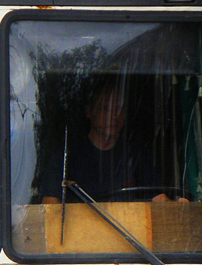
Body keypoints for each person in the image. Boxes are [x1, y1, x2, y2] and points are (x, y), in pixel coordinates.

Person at [40, 77, 174, 203]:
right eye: (105, 108)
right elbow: (50, 207)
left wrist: (177, 208)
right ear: (89, 111)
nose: (113, 116)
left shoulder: (135, 155)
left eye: (119, 108)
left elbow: (159, 200)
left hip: (125, 228)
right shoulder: (66, 155)